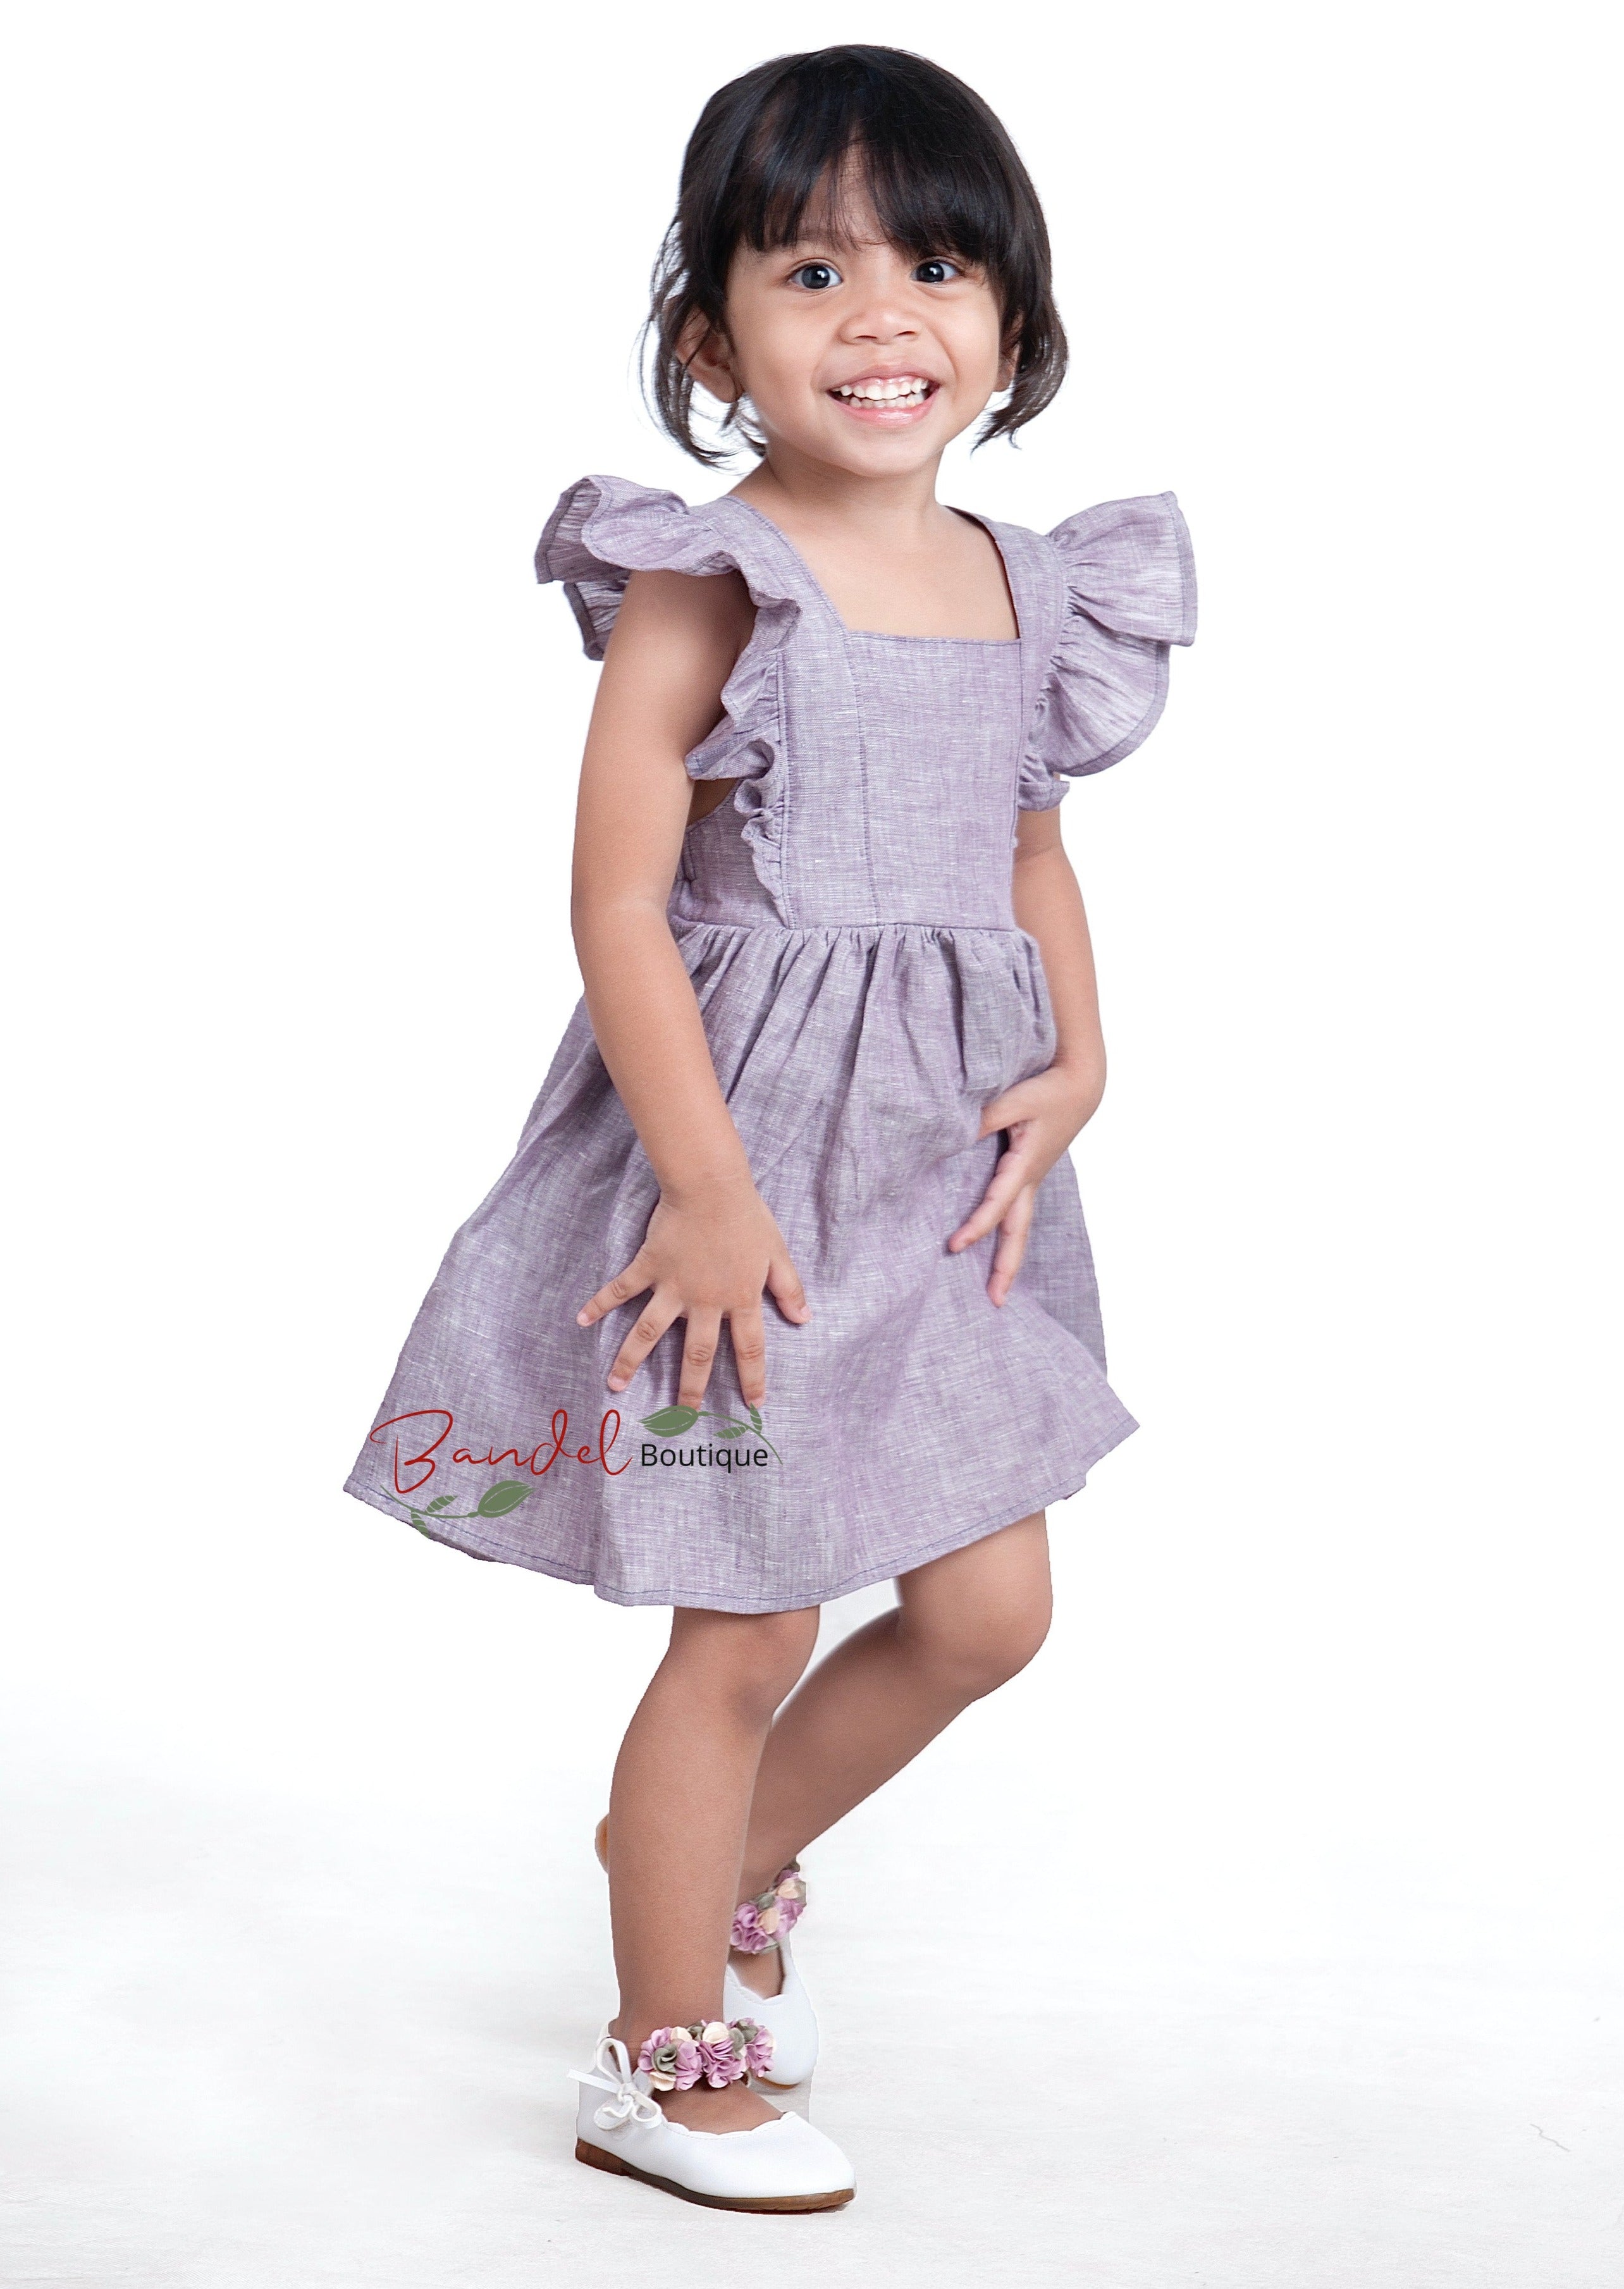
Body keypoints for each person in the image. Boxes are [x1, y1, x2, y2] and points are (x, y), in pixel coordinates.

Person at [343, 42, 1195, 2213]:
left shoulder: (1031, 580)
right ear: (715, 340)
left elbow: (1031, 853)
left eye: (933, 264)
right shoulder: (712, 580)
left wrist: (1082, 1058)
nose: (883, 313)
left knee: (990, 1607)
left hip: (950, 1164)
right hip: (741, 1156)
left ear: (1015, 320)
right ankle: (663, 2054)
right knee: (746, 1619)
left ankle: (718, 1861)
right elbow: (617, 897)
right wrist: (706, 1190)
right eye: (814, 270)